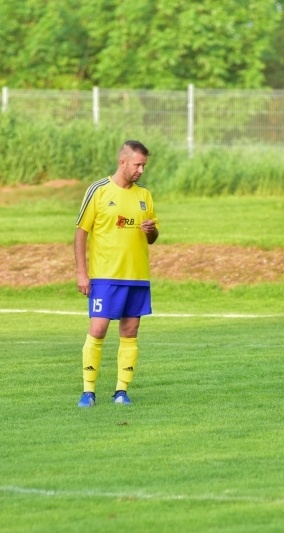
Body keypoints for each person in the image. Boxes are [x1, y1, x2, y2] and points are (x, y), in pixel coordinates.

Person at [74, 140, 159, 407]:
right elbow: (80, 234)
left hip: (136, 276)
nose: (141, 171)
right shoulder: (98, 191)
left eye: (144, 165)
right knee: (98, 330)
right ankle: (88, 392)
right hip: (104, 276)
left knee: (131, 331)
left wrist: (151, 231)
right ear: (123, 162)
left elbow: (154, 237)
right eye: (137, 165)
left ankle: (121, 391)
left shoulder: (144, 195)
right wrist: (81, 273)